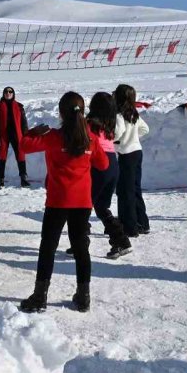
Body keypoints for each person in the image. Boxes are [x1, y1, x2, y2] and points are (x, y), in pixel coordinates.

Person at [18, 92, 109, 314]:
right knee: (81, 248)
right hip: (82, 201)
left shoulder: (53, 137)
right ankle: (83, 296)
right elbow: (104, 165)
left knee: (48, 247)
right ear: (83, 112)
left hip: (58, 201)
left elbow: (24, 146)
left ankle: (40, 296)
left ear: (60, 113)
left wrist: (34, 131)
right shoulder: (91, 138)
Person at [86, 91, 131, 259]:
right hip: (113, 163)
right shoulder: (109, 125)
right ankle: (122, 241)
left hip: (99, 162)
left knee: (84, 205)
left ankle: (79, 244)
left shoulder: (90, 124)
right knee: (101, 206)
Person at [114, 84, 151, 237]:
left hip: (126, 154)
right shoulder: (134, 113)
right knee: (135, 188)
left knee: (124, 191)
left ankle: (129, 226)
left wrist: (114, 140)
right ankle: (142, 222)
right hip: (137, 152)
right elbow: (145, 129)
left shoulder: (118, 114)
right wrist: (133, 138)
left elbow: (118, 132)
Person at [0, 86, 30, 188]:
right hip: (3, 135)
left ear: (13, 94)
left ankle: (23, 178)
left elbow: (24, 123)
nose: (8, 93)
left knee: (21, 155)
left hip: (17, 134)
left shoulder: (19, 107)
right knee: (1, 156)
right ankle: (0, 179)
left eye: (10, 92)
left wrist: (26, 135)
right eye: (6, 92)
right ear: (3, 94)